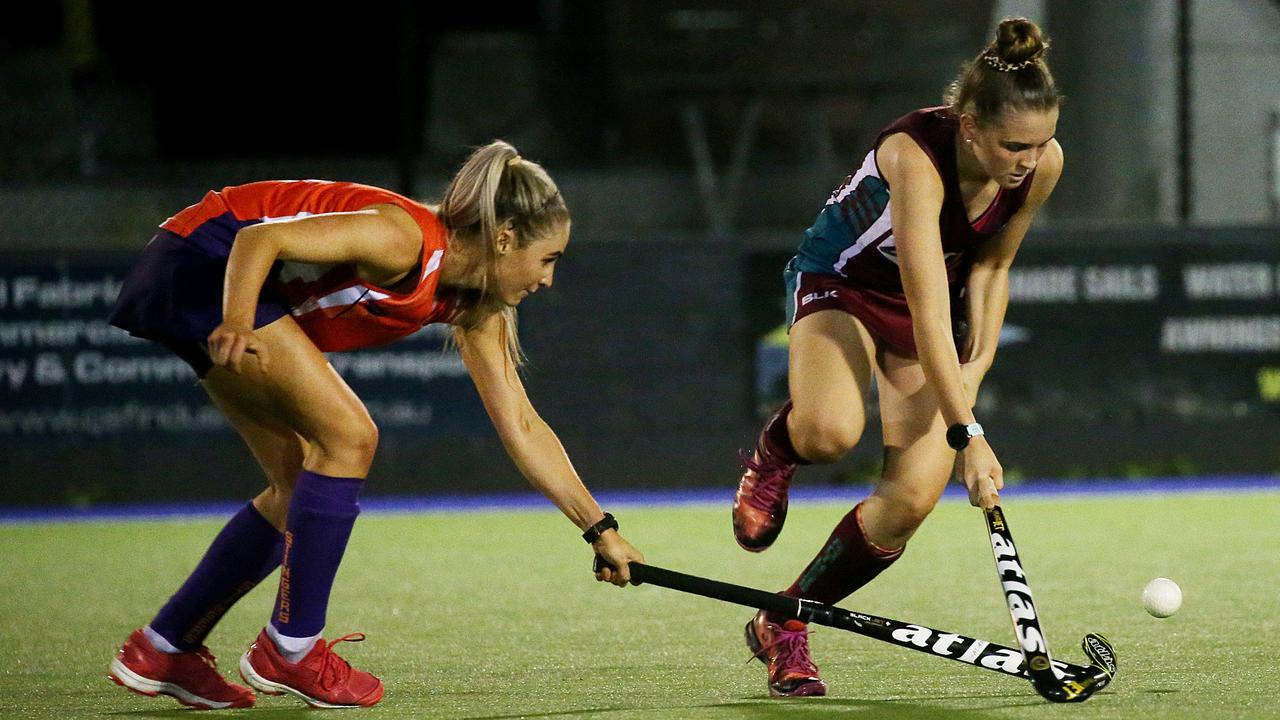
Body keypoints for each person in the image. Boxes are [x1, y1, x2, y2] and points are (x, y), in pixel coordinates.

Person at [104, 140, 645, 710]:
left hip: (211, 280)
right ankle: (291, 650)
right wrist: (238, 320)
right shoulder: (404, 238)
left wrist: (598, 529)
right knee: (349, 437)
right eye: (548, 259)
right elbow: (257, 238)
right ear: (505, 239)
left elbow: (522, 425)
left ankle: (165, 648)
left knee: (298, 484)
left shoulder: (475, 304)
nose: (548, 280)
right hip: (203, 260)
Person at [731, 18, 1064, 697]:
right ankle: (774, 452)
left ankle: (783, 619)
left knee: (910, 499)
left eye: (1039, 143)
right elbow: (929, 300)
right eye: (1013, 144)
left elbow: (993, 270)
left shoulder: (1042, 165)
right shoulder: (916, 154)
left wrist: (975, 373)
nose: (1028, 159)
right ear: (970, 125)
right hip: (843, 284)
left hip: (927, 312)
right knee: (830, 431)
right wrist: (966, 431)